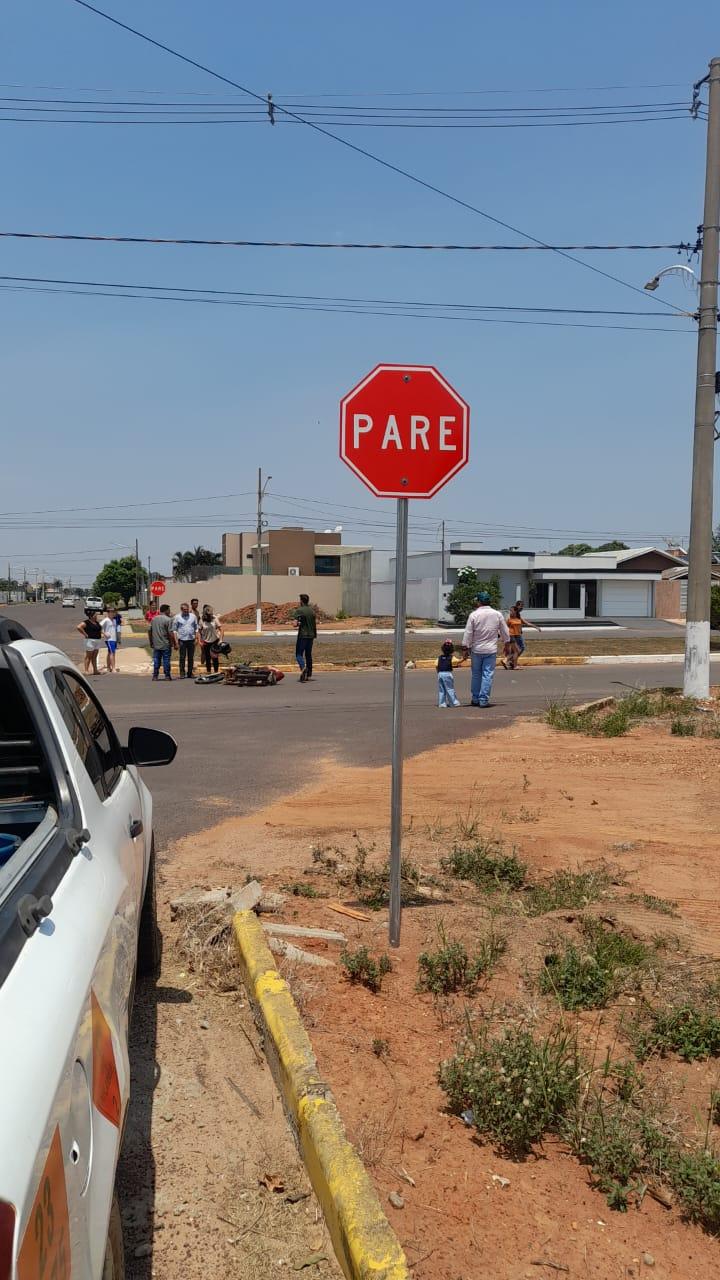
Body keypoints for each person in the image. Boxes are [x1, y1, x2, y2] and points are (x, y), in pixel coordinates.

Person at [462, 591, 510, 708]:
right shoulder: (497, 614)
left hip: (477, 650)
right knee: (487, 675)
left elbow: (468, 633)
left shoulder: (474, 615)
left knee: (476, 675)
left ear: (479, 602)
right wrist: (507, 643)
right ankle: (483, 700)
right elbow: (505, 631)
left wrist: (465, 648)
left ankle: (475, 698)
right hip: (490, 650)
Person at [504, 599, 541, 670]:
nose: (522, 608)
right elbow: (508, 625)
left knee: (515, 650)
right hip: (515, 635)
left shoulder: (517, 614)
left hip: (516, 634)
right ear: (517, 606)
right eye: (521, 606)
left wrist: (535, 627)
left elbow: (523, 622)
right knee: (519, 649)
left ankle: (511, 662)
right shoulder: (514, 614)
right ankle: (510, 661)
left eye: (522, 607)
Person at [293, 593, 317, 683]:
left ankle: (303, 668)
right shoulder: (312, 611)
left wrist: (298, 623)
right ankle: (309, 674)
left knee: (299, 654)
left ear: (301, 601)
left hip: (303, 635)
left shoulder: (300, 610)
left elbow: (295, 624)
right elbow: (314, 624)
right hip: (311, 635)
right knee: (308, 655)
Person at [149, 603, 176, 681]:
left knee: (156, 659)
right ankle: (167, 676)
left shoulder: (154, 619)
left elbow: (149, 631)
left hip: (156, 644)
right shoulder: (168, 620)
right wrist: (173, 643)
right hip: (165, 644)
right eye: (169, 610)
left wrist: (151, 642)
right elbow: (170, 633)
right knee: (166, 660)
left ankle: (155, 676)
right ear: (166, 610)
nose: (169, 611)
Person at [172, 602, 199, 679]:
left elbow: (196, 628)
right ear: (181, 610)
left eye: (187, 609)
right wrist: (176, 642)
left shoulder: (193, 616)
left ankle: (190, 673)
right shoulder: (177, 617)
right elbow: (174, 630)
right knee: (182, 657)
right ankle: (182, 673)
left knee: (191, 657)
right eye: (184, 610)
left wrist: (196, 638)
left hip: (191, 640)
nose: (186, 611)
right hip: (182, 640)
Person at [436, 638, 462, 708]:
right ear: (451, 650)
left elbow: (436, 665)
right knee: (450, 688)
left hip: (440, 674)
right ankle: (454, 702)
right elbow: (458, 661)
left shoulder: (440, 657)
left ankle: (442, 704)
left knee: (442, 690)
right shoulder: (452, 657)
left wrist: (438, 672)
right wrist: (464, 658)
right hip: (447, 673)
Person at [199, 604, 224, 673]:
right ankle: (208, 672)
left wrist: (221, 639)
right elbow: (199, 631)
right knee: (207, 658)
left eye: (211, 613)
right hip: (206, 641)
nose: (210, 615)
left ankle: (216, 672)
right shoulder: (202, 620)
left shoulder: (214, 618)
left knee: (215, 657)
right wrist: (200, 640)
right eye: (208, 613)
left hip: (214, 641)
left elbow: (221, 629)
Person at [77, 609, 103, 675]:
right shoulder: (87, 622)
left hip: (97, 640)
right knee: (88, 656)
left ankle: (95, 670)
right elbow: (79, 627)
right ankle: (86, 670)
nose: (96, 616)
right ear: (91, 616)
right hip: (90, 641)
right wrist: (85, 634)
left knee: (94, 656)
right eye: (95, 615)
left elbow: (99, 630)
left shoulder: (97, 623)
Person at [101, 605, 119, 673]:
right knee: (112, 653)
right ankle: (113, 668)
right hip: (109, 639)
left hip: (114, 639)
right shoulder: (106, 620)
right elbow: (99, 626)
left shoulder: (114, 620)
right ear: (108, 613)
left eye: (114, 612)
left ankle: (108, 667)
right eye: (111, 612)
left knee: (109, 653)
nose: (113, 613)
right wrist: (104, 633)